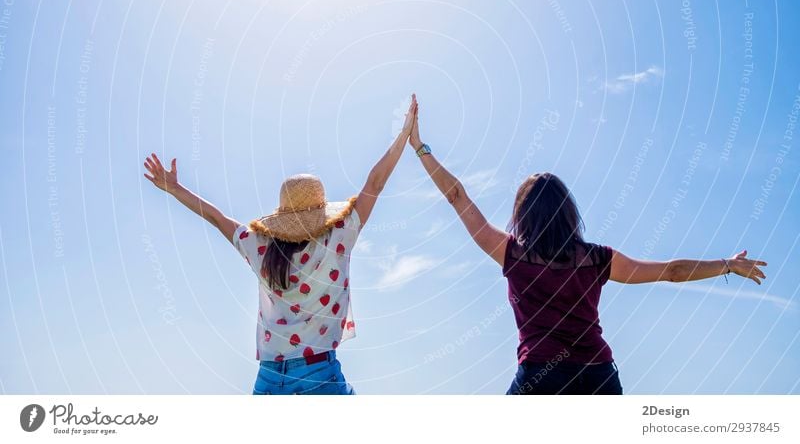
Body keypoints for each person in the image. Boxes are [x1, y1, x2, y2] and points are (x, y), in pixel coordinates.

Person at [407, 98, 768, 395]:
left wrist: (420, 147)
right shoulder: (597, 259)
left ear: (522, 215)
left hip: (541, 379)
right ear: (568, 213)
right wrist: (725, 264)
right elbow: (671, 272)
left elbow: (457, 196)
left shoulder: (512, 254)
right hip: (599, 378)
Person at [142, 96, 418, 394]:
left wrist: (174, 188)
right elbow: (374, 183)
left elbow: (215, 216)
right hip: (319, 374)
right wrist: (404, 135)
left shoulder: (260, 246)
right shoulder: (338, 236)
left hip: (270, 380)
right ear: (321, 211)